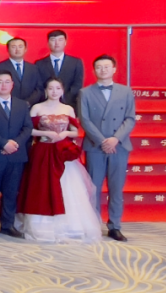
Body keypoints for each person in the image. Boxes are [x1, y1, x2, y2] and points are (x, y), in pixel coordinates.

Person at [16, 78, 102, 243]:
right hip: (42, 151)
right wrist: (45, 134)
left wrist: (65, 134)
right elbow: (28, 130)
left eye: (57, 88)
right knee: (41, 187)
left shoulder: (68, 109)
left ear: (62, 91)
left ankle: (69, 227)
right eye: (51, 88)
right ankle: (41, 227)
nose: (54, 92)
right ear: (46, 91)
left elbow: (75, 131)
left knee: (66, 187)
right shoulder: (37, 108)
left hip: (62, 153)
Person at [79, 54, 137, 242]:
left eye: (106, 66)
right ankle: (93, 225)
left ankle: (115, 226)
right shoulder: (85, 93)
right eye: (99, 67)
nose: (102, 70)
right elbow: (84, 120)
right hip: (95, 146)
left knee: (116, 188)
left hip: (119, 146)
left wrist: (115, 139)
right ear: (94, 70)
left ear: (114, 69)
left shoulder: (125, 91)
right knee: (93, 188)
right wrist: (102, 140)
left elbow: (130, 118)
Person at [0, 71, 33, 239]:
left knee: (11, 192)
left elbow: (27, 127)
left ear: (12, 84)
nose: (3, 85)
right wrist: (3, 144)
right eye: (0, 82)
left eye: (7, 81)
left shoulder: (22, 105)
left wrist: (14, 144)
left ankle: (7, 225)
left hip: (16, 155)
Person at [34, 30, 84, 110]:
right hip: (45, 105)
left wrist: (64, 99)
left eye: (60, 40)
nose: (56, 43)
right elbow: (39, 85)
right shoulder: (39, 64)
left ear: (65, 42)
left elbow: (77, 84)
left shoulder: (75, 62)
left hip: (69, 104)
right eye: (53, 40)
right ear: (48, 43)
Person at [0, 38, 43, 104]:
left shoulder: (33, 68)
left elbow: (39, 89)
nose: (17, 49)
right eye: (13, 47)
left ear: (25, 49)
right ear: (8, 49)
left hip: (30, 105)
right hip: (8, 105)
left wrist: (28, 102)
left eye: (20, 46)